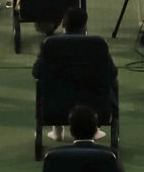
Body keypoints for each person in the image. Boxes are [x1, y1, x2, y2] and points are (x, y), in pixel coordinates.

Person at [34, 9, 116, 139]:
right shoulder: (97, 46)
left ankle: (57, 130)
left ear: (62, 25)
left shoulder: (50, 45)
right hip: (95, 106)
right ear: (85, 27)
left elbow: (37, 72)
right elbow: (112, 74)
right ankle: (93, 127)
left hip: (55, 107)